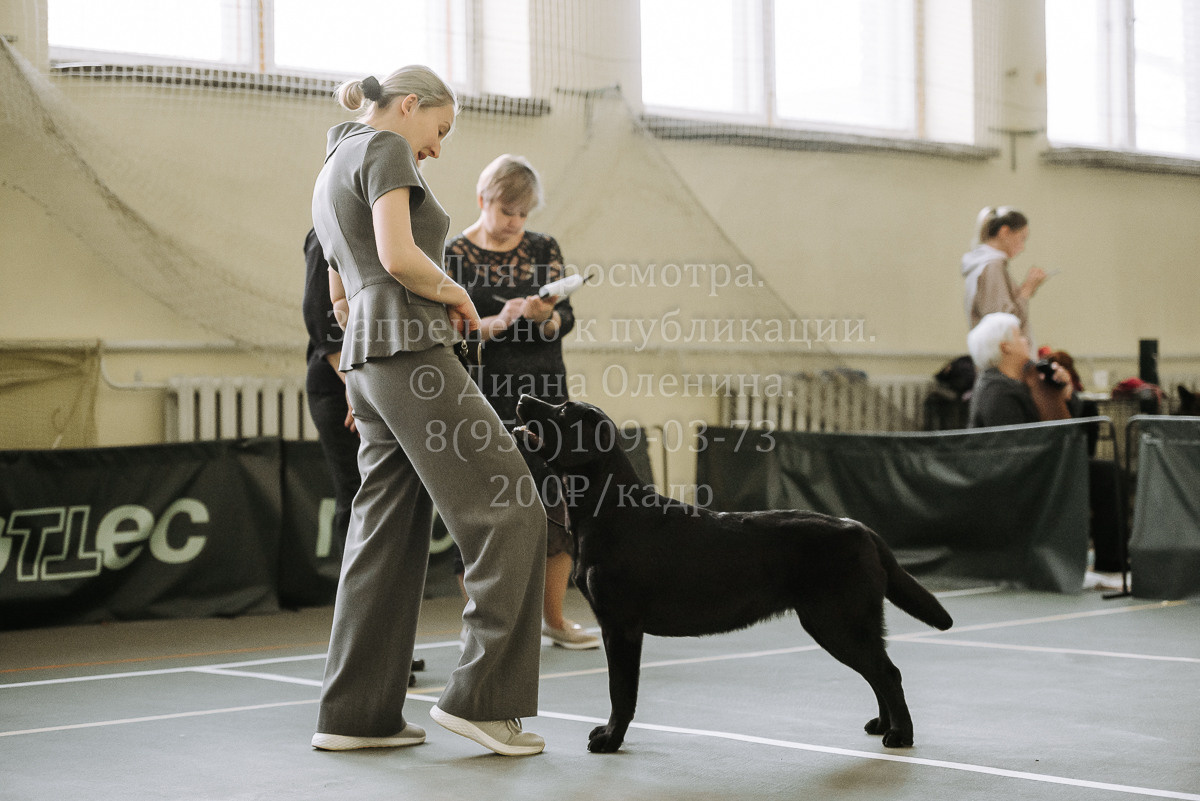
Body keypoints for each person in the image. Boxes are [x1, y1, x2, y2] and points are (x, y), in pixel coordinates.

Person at [309, 66, 547, 757]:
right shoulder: (383, 147)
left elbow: (340, 291)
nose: (438, 148)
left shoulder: (329, 165)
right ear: (409, 105)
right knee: (511, 501)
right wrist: (458, 295)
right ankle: (483, 697)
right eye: (440, 130)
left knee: (383, 531)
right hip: (410, 346)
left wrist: (364, 370)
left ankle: (355, 713)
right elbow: (396, 253)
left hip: (367, 358)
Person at [445, 154, 598, 650]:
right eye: (507, 210)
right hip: (486, 394)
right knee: (484, 510)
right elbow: (450, 335)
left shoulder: (543, 248)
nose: (515, 223)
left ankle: (553, 619)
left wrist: (544, 316)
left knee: (558, 507)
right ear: (482, 200)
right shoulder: (454, 255)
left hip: (545, 391)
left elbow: (563, 321)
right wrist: (498, 323)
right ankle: (490, 629)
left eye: (523, 214)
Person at [966, 312, 1073, 428]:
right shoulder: (998, 392)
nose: (1025, 340)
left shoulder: (1027, 378)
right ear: (1005, 347)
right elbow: (1018, 442)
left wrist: (1062, 388)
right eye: (1020, 335)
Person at [961, 207, 1046, 344]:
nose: (1022, 247)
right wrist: (1026, 291)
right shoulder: (991, 267)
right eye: (1022, 238)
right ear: (1004, 232)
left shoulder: (987, 265)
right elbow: (1003, 325)